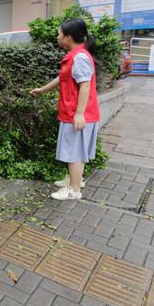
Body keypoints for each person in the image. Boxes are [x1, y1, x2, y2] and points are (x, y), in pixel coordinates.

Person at [31, 18, 100, 201]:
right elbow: (63, 77)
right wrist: (43, 90)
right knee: (75, 150)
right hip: (74, 112)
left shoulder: (80, 57)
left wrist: (79, 114)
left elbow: (85, 86)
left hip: (77, 114)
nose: (57, 37)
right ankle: (75, 179)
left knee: (75, 152)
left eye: (59, 34)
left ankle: (74, 190)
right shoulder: (76, 55)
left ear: (68, 38)